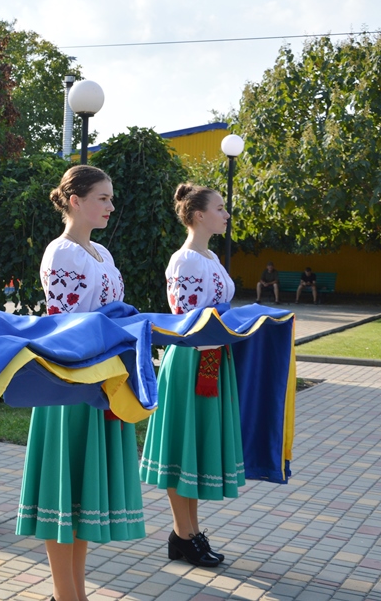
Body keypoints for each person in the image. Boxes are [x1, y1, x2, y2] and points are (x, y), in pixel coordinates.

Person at [16, 165, 144, 601]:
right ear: (75, 201)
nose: (110, 205)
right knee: (63, 488)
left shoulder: (100, 253)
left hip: (102, 376)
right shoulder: (62, 251)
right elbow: (67, 325)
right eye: (102, 198)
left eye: (111, 198)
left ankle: (74, 593)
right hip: (71, 382)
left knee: (82, 492)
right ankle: (65, 594)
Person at [140, 183, 243, 568]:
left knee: (193, 449)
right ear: (199, 215)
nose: (225, 213)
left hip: (214, 359)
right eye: (220, 207)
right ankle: (183, 533)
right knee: (182, 448)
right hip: (191, 362)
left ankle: (190, 533)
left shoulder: (210, 257)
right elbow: (187, 322)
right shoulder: (185, 260)